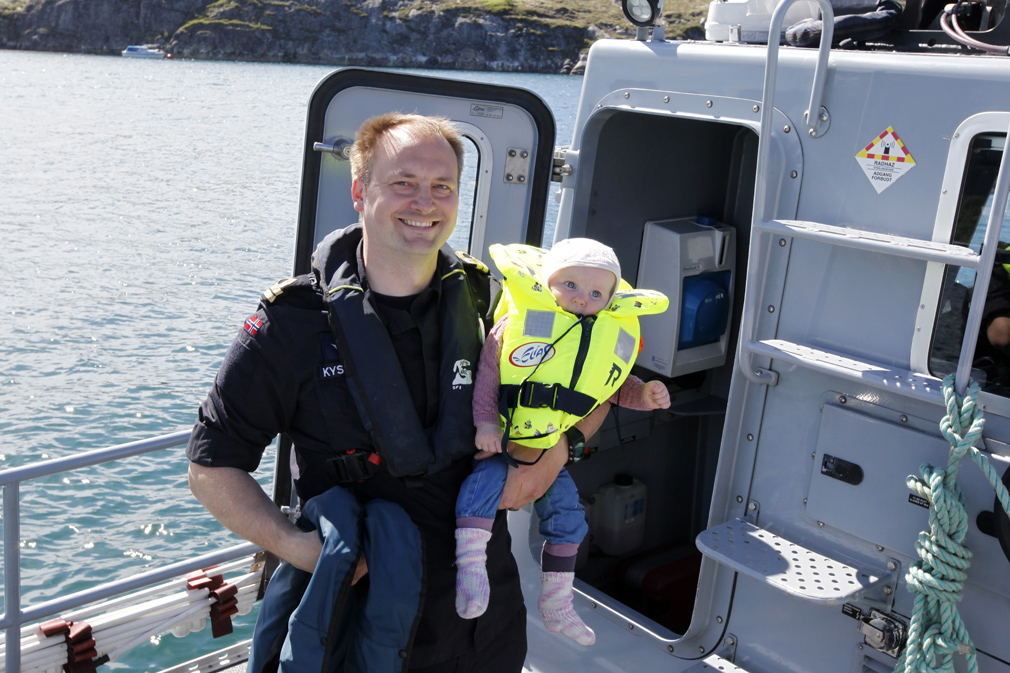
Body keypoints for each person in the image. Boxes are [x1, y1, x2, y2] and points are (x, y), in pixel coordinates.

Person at [186, 112, 605, 672]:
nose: (424, 202)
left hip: (484, 623)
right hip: (358, 624)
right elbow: (212, 467)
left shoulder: (494, 306)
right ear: (361, 192)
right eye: (402, 183)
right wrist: (297, 548)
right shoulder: (291, 324)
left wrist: (558, 453)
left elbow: (589, 392)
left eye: (442, 186)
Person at [453, 239, 671, 646]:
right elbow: (488, 374)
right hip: (502, 442)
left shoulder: (607, 335)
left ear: (609, 299)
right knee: (477, 494)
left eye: (595, 294)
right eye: (569, 285)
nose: (581, 299)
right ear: (546, 281)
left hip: (551, 445)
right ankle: (471, 573)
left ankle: (556, 601)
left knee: (571, 520)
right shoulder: (521, 321)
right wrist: (485, 423)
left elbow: (615, 387)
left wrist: (646, 396)